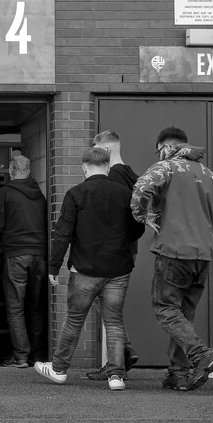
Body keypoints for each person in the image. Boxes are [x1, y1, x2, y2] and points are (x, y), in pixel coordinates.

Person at [34, 148, 144, 391]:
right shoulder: (125, 193)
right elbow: (138, 229)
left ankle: (59, 369)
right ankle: (116, 376)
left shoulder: (76, 194)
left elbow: (63, 233)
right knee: (114, 322)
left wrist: (54, 265)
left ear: (84, 168)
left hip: (84, 269)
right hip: (118, 268)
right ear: (107, 167)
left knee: (74, 320)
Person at [131, 126, 213, 391]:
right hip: (202, 254)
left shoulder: (166, 167)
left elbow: (141, 188)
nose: (159, 155)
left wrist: (142, 217)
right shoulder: (211, 175)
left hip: (173, 250)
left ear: (166, 147)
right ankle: (178, 372)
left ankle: (201, 355)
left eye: (160, 151)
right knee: (183, 314)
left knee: (166, 309)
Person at [86, 130, 140, 380]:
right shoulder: (132, 174)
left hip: (113, 251)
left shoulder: (115, 176)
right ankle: (121, 357)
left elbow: (114, 217)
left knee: (108, 306)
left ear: (105, 151)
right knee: (110, 307)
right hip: (126, 250)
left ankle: (118, 360)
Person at [0, 154, 48, 368]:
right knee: (37, 307)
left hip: (15, 255)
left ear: (11, 171)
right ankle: (38, 356)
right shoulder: (41, 197)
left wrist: (1, 243)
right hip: (40, 256)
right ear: (29, 171)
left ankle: (21, 356)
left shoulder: (4, 193)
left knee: (15, 307)